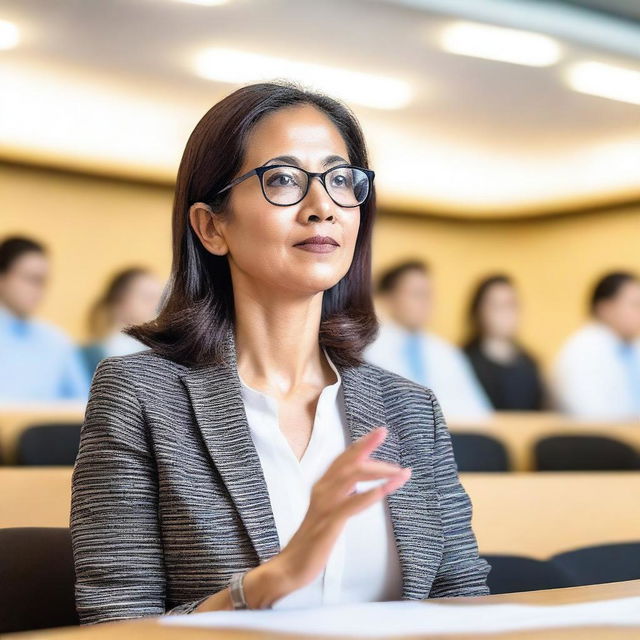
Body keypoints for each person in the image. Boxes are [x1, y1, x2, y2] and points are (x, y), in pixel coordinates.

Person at [70, 82, 491, 625]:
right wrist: (267, 584)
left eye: (341, 180)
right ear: (211, 226)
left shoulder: (410, 409)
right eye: (284, 180)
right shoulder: (140, 395)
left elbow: (468, 606)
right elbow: (117, 624)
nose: (323, 207)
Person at [363, 260, 492, 422]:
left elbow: (478, 411)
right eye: (417, 294)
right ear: (388, 298)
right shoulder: (367, 348)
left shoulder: (446, 351)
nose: (426, 302)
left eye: (428, 294)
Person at [0, 235, 89, 403]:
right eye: (31, 279)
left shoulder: (57, 341)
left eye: (43, 282)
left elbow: (83, 407)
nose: (38, 289)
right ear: (2, 278)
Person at [552, 271, 640, 420]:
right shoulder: (582, 350)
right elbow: (591, 415)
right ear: (605, 308)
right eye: (635, 305)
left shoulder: (632, 348)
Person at [463, 275, 545, 411]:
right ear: (478, 311)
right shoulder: (462, 360)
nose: (506, 313)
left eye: (511, 305)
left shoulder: (530, 363)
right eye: (497, 306)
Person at [80, 267, 163, 378]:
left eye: (159, 299)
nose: (156, 306)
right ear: (121, 300)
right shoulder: (89, 356)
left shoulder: (156, 352)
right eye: (148, 298)